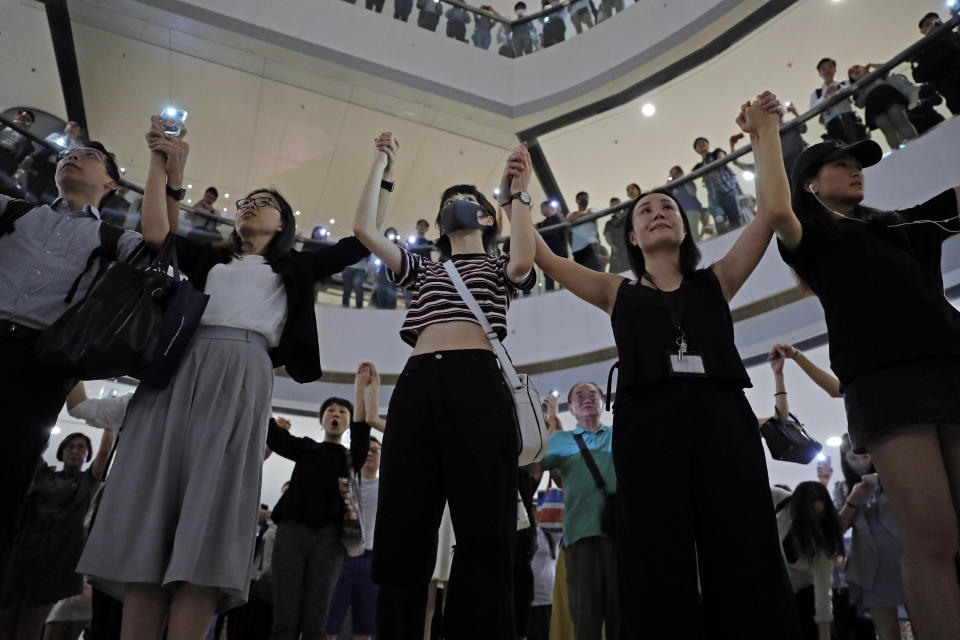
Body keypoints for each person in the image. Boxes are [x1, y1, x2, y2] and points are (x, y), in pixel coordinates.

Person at [76, 117, 374, 640]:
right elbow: (158, 231)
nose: (249, 204)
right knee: (151, 501)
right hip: (177, 364)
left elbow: (363, 239)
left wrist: (382, 168)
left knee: (209, 516)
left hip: (242, 369)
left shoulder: (297, 268)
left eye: (264, 201)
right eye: (245, 200)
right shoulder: (208, 258)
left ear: (283, 224)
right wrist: (164, 167)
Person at [526, 91, 801, 638]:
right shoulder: (616, 290)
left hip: (723, 420)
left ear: (684, 226)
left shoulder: (716, 281)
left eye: (667, 207)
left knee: (744, 546)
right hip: (647, 428)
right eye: (644, 210)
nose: (656, 212)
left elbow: (772, 213)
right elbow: (545, 256)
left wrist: (764, 135)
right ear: (631, 236)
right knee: (655, 556)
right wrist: (516, 197)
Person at [762, 88, 960, 639]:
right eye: (840, 165)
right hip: (886, 386)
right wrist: (764, 133)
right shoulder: (816, 237)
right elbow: (777, 209)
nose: (855, 172)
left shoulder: (899, 225)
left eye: (858, 165)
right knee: (934, 536)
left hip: (949, 369)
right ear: (810, 183)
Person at [352, 131, 536, 637]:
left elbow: (523, 261)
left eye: (465, 202)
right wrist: (381, 163)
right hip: (417, 386)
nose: (453, 206)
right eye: (446, 204)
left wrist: (517, 190)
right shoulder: (424, 269)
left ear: (487, 217)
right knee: (403, 527)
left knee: (483, 530)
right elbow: (364, 229)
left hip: (478, 384)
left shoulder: (500, 265)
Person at [0, 140, 138, 572]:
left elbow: (161, 245)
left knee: (10, 474)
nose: (71, 156)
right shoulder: (15, 212)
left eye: (90, 155)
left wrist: (165, 172)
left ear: (110, 183)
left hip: (37, 362)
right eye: (66, 153)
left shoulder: (114, 238)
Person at [770, 343, 908, 640]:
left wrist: (793, 359)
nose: (859, 460)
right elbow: (780, 419)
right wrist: (786, 368)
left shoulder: (895, 470)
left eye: (861, 455)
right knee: (887, 628)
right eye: (853, 456)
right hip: (870, 563)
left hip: (906, 553)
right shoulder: (847, 489)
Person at [267, 367, 378, 640]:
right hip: (291, 532)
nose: (336, 414)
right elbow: (272, 433)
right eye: (330, 411)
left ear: (348, 423)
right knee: (285, 615)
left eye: (342, 411)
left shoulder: (352, 458)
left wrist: (360, 390)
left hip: (330, 539)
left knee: (318, 617)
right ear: (321, 421)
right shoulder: (305, 448)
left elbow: (363, 433)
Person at [0, 386, 115, 640]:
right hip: (20, 557)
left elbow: (105, 453)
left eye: (82, 448)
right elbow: (33, 447)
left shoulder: (87, 484)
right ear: (62, 451)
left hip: (52, 565)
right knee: (4, 621)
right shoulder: (42, 475)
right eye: (71, 446)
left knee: (30, 629)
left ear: (86, 455)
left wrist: (110, 420)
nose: (76, 451)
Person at [534, 382, 618, 640]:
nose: (586, 400)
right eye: (578, 397)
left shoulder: (620, 433)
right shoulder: (562, 439)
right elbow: (532, 462)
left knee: (622, 618)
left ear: (603, 403)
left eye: (593, 395)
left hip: (620, 537)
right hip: (579, 537)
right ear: (570, 407)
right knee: (585, 620)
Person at [325, 369, 385, 640]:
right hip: (343, 556)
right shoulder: (347, 479)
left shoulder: (389, 487)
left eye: (377, 450)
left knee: (365, 628)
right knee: (328, 624)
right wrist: (361, 390)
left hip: (374, 561)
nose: (371, 454)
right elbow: (362, 430)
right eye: (368, 450)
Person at [772, 483, 845, 640]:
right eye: (810, 514)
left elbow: (823, 593)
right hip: (779, 596)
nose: (814, 522)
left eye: (819, 515)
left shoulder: (822, 547)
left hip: (805, 601)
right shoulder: (784, 502)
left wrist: (824, 635)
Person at [848, 64, 918, 149]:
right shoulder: (857, 89)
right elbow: (859, 104)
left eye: (857, 67)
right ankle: (898, 152)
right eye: (851, 72)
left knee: (899, 119)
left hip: (888, 95)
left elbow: (886, 67)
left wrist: (871, 65)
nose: (855, 71)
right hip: (873, 105)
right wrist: (858, 87)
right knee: (887, 129)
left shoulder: (878, 74)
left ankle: (917, 144)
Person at [810, 58, 868, 144]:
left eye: (830, 66)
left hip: (850, 119)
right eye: (823, 68)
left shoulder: (845, 83)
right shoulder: (816, 93)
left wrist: (839, 88)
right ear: (820, 73)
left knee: (858, 145)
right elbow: (813, 109)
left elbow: (854, 90)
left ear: (835, 69)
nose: (827, 70)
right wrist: (825, 96)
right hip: (832, 125)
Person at [912, 12, 960, 115]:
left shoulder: (954, 36)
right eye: (928, 24)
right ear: (923, 31)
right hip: (955, 97)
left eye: (936, 21)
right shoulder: (923, 51)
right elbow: (921, 74)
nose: (934, 24)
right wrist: (930, 42)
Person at [692, 137, 744, 229]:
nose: (701, 144)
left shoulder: (717, 152)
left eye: (703, 142)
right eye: (698, 144)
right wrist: (710, 172)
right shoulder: (698, 166)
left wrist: (708, 172)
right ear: (696, 150)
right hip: (714, 197)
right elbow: (693, 174)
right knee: (719, 221)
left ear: (708, 145)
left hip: (729, 191)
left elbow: (722, 157)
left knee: (736, 220)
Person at [667, 166, 713, 240]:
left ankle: (699, 245)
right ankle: (703, 236)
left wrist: (682, 180)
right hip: (682, 214)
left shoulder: (687, 181)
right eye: (672, 175)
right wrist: (668, 185)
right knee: (687, 235)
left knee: (693, 234)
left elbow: (692, 192)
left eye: (676, 173)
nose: (674, 176)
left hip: (692, 210)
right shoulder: (673, 187)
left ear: (681, 173)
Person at [566, 191, 602, 271]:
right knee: (582, 272)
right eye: (582, 198)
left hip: (591, 245)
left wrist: (578, 216)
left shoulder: (592, 209)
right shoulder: (571, 214)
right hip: (577, 249)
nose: (585, 200)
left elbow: (593, 214)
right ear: (577, 200)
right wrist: (581, 215)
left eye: (586, 198)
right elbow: (568, 220)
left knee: (596, 270)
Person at [535, 201, 567, 290]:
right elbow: (532, 227)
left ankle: (564, 289)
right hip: (548, 254)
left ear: (546, 208)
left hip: (560, 252)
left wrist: (559, 211)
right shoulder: (544, 222)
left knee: (563, 274)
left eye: (542, 208)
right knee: (549, 276)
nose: (541, 211)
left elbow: (566, 223)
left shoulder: (558, 218)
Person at [0, 109, 35, 179]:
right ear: (15, 116)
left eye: (28, 120)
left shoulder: (28, 141)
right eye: (22, 117)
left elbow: (23, 160)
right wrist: (10, 124)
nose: (24, 121)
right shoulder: (4, 125)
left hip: (9, 161)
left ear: (30, 125)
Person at [602, 198, 630, 274]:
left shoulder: (628, 218)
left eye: (617, 205)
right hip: (618, 254)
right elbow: (607, 236)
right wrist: (613, 246)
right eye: (613, 206)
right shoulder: (609, 223)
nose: (616, 207)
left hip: (630, 249)